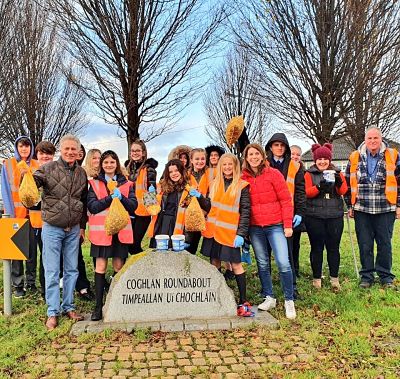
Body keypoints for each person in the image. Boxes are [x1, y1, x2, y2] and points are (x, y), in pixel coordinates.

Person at [33, 134, 88, 331]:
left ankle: (69, 307)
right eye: (67, 149)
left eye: (74, 149)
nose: (70, 152)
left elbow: (83, 201)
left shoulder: (82, 173)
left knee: (72, 269)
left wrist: (82, 226)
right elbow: (34, 182)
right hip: (52, 227)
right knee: (52, 270)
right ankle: (52, 312)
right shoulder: (47, 169)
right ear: (61, 150)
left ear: (78, 151)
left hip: (73, 228)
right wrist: (28, 180)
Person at [241, 143, 296, 319]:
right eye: (250, 154)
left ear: (263, 156)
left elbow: (286, 200)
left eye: (256, 154)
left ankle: (289, 299)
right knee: (262, 263)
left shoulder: (274, 174)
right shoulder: (243, 178)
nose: (254, 157)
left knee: (283, 262)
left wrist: (287, 225)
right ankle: (269, 296)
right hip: (255, 227)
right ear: (246, 158)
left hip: (275, 225)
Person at [344, 127, 400, 289]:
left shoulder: (393, 155)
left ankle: (385, 277)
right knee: (365, 244)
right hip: (362, 208)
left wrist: (398, 205)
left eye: (376, 138)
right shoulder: (354, 157)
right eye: (370, 138)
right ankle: (367, 276)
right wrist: (350, 205)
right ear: (365, 139)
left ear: (381, 139)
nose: (373, 141)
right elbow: (348, 183)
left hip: (385, 208)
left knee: (385, 244)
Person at [201, 153, 252, 317]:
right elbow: (210, 207)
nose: (227, 168)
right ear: (220, 167)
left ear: (235, 166)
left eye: (230, 165)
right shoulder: (214, 184)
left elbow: (245, 212)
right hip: (213, 231)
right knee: (214, 262)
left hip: (230, 233)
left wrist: (242, 234)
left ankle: (243, 301)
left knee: (236, 265)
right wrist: (200, 199)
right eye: (224, 165)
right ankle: (216, 296)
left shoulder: (242, 185)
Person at [88, 150, 137, 321]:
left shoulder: (127, 184)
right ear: (101, 164)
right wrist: (110, 198)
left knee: (118, 267)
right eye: (106, 162)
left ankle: (117, 304)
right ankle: (97, 307)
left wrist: (121, 198)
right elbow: (93, 207)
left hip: (120, 233)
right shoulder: (94, 184)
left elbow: (133, 206)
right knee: (100, 268)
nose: (109, 165)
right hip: (102, 233)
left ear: (117, 164)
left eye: (112, 162)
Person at [265, 133, 306, 299]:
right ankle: (267, 290)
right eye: (276, 145)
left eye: (282, 145)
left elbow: (300, 191)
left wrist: (300, 213)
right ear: (270, 147)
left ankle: (292, 288)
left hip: (287, 214)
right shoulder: (263, 164)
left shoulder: (295, 166)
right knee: (265, 255)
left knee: (287, 254)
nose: (279, 148)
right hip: (267, 214)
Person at [304, 144, 348, 290]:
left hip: (334, 215)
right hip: (314, 216)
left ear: (329, 160)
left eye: (325, 159)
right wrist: (319, 187)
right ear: (315, 160)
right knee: (316, 248)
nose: (322, 161)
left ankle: (334, 278)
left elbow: (343, 191)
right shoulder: (309, 174)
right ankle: (317, 278)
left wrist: (339, 182)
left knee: (333, 248)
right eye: (319, 159)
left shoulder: (337, 172)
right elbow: (306, 193)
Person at [1, 136, 40, 297]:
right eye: (21, 146)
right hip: (15, 215)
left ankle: (31, 283)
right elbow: (5, 188)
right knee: (17, 251)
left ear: (31, 148)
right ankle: (18, 284)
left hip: (33, 215)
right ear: (17, 148)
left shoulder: (36, 165)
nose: (24, 149)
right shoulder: (8, 164)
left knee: (31, 251)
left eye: (27, 146)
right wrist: (8, 212)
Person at [148, 159, 208, 247]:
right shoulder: (161, 187)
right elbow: (152, 209)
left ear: (181, 171)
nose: (174, 174)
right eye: (170, 172)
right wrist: (150, 196)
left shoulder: (188, 189)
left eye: (176, 170)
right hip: (161, 224)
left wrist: (199, 196)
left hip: (178, 226)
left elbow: (194, 214)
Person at [33, 141, 56, 299]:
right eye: (42, 153)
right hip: (38, 222)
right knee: (44, 258)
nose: (45, 156)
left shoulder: (57, 171)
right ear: (37, 155)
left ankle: (55, 286)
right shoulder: (34, 173)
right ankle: (45, 289)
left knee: (55, 257)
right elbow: (30, 200)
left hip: (56, 221)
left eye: (48, 153)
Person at [126, 139, 158, 254]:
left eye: (138, 151)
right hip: (129, 210)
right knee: (128, 244)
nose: (135, 153)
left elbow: (152, 193)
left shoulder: (149, 170)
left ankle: (144, 267)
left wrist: (153, 191)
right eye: (133, 151)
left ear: (143, 153)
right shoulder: (127, 169)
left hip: (143, 212)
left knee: (135, 244)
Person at [186, 148, 209, 254]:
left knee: (193, 247)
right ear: (191, 160)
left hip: (203, 215)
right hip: (187, 216)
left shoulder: (211, 175)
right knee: (185, 246)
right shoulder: (185, 176)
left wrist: (200, 197)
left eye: (202, 159)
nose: (200, 161)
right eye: (197, 159)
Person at [290, 145, 305, 278]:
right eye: (292, 154)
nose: (295, 157)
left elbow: (301, 193)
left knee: (296, 243)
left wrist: (300, 212)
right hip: (286, 210)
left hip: (297, 211)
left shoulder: (301, 170)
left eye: (297, 155)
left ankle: (296, 268)